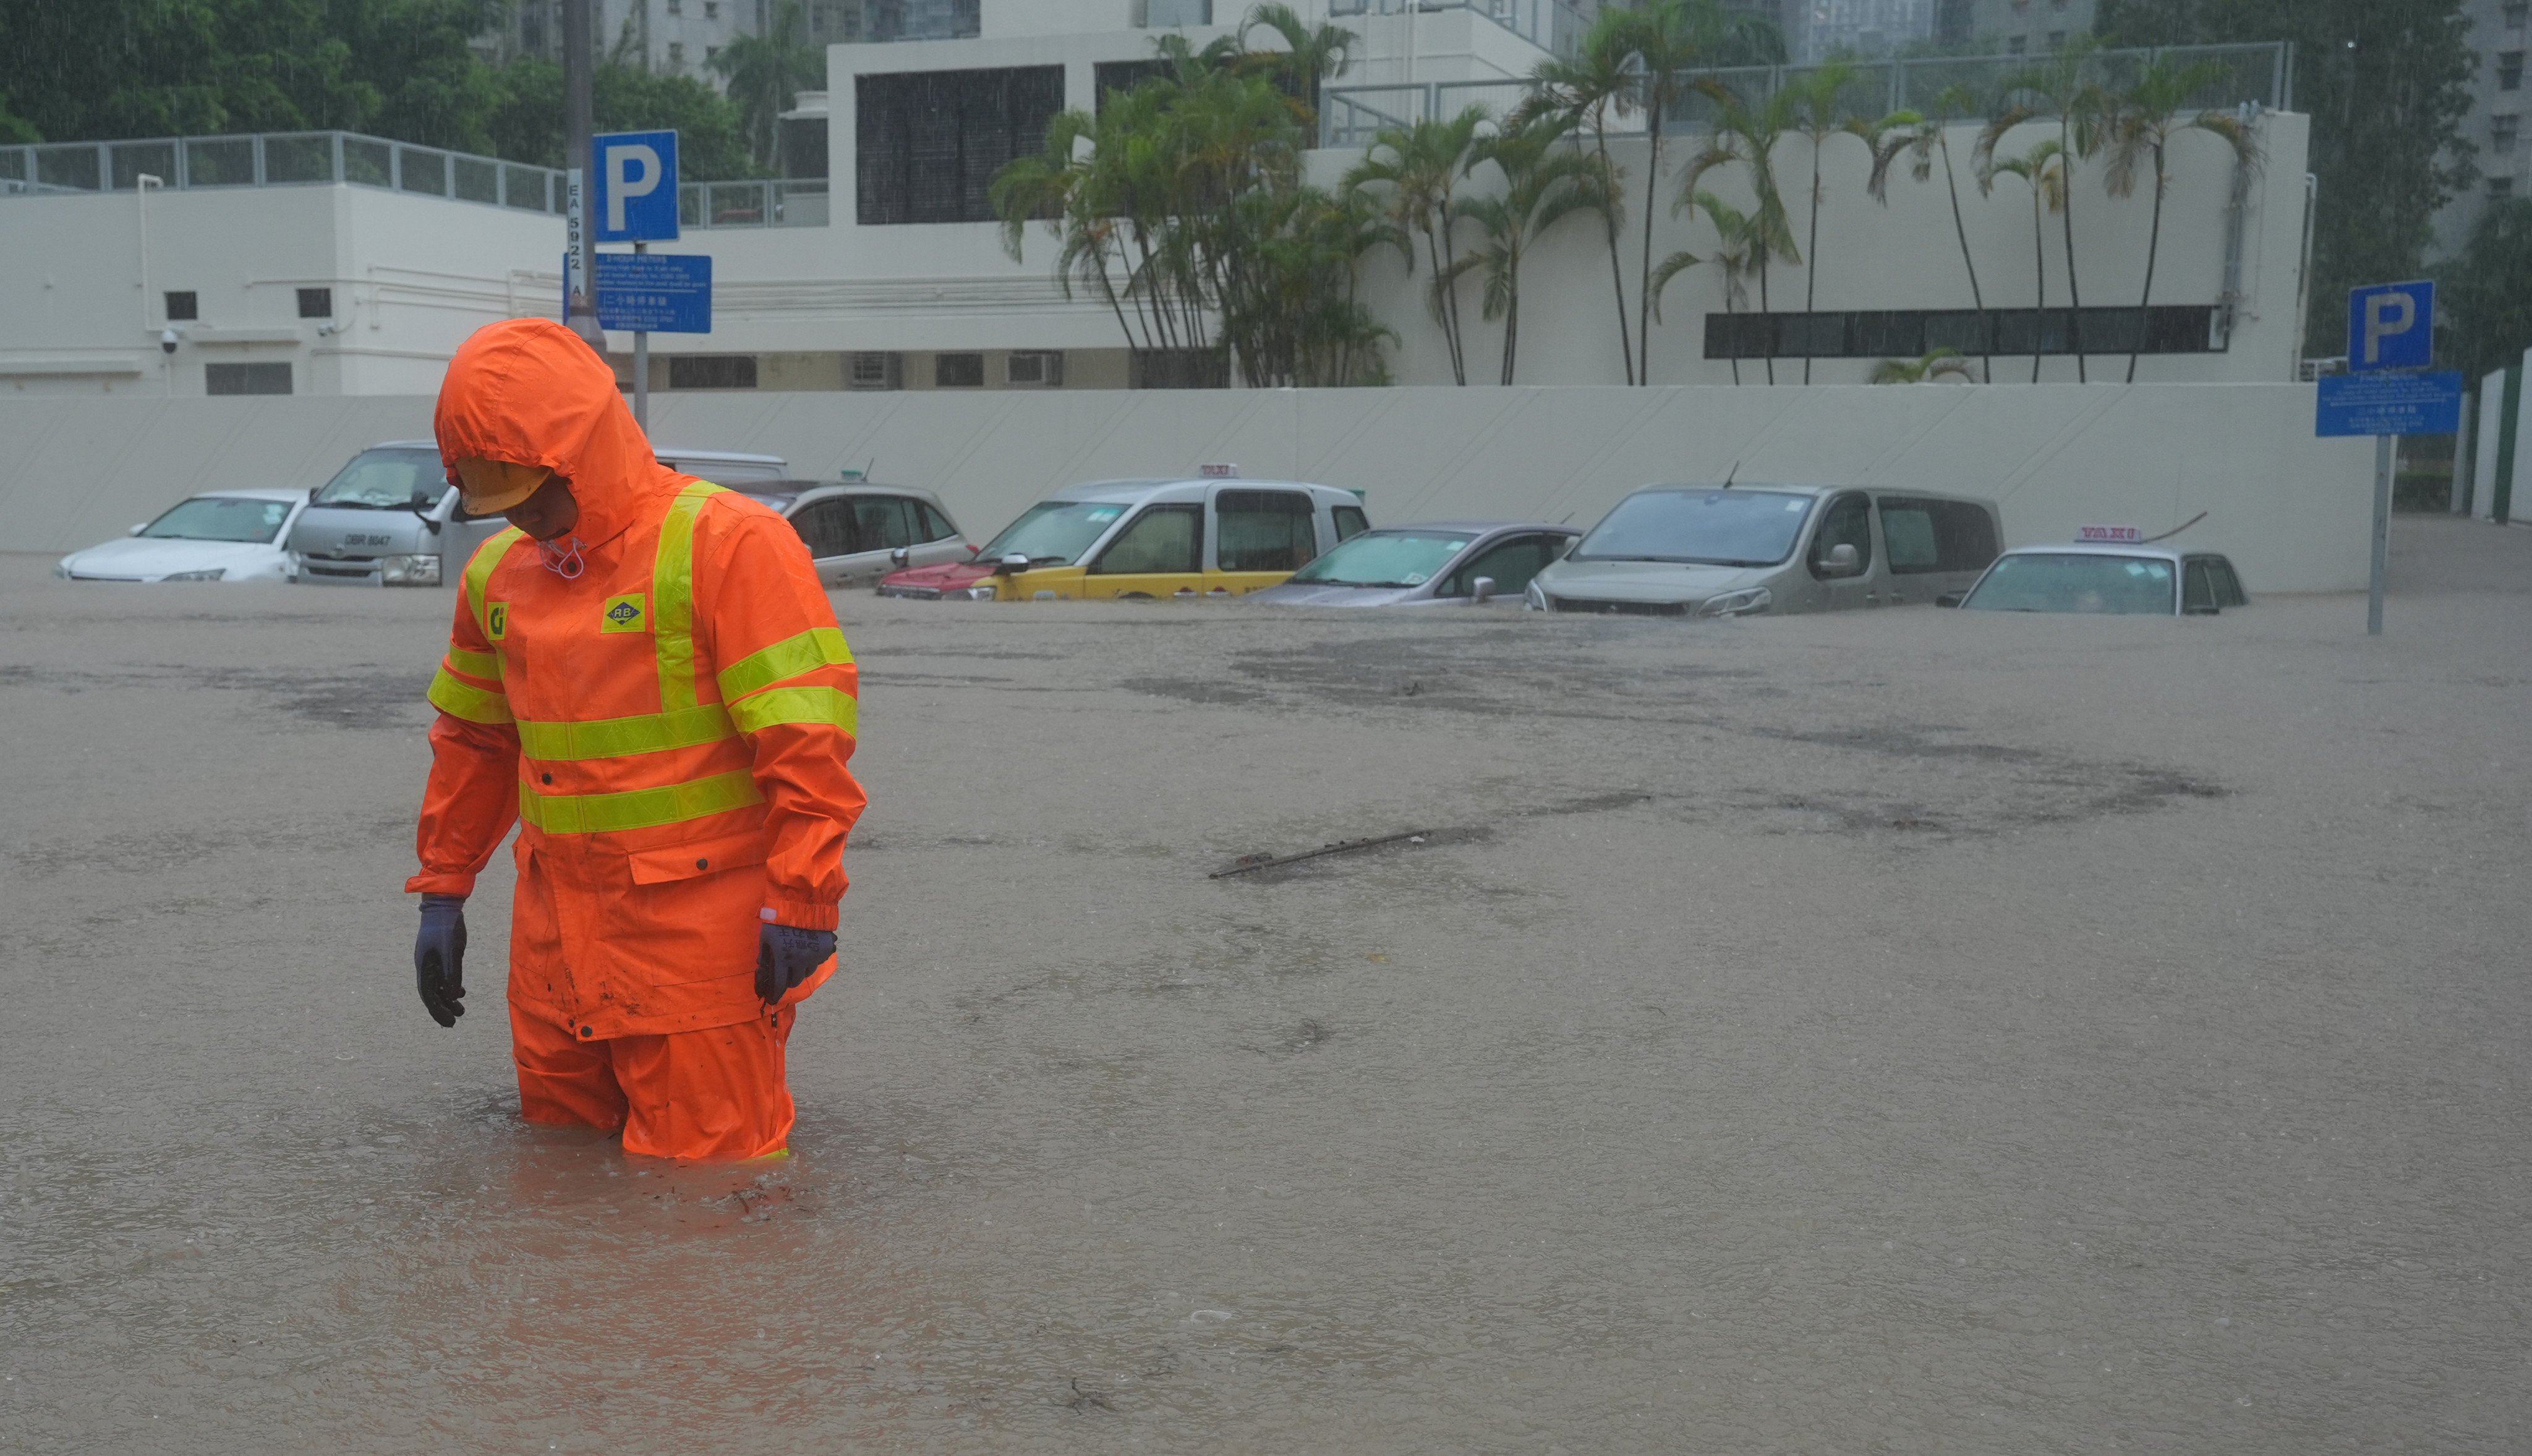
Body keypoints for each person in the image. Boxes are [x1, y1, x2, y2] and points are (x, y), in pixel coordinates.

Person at [406, 318, 864, 1160]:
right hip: (553, 958)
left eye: (533, 490)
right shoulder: (494, 576)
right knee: (563, 1191)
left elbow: (807, 745)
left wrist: (803, 900)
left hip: (699, 957)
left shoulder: (729, 545)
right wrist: (444, 889)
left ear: (583, 447)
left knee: (709, 1210)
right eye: (496, 494)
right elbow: (472, 744)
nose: (525, 516)